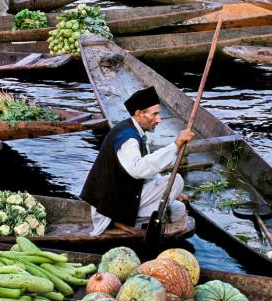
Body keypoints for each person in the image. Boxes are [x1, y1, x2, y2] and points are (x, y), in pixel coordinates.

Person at [81, 87, 193, 236]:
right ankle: (120, 221)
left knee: (178, 208)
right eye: (154, 114)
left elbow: (146, 172)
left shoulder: (135, 131)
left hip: (121, 196)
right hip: (109, 208)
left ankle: (133, 220)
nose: (159, 119)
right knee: (177, 180)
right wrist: (176, 145)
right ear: (139, 114)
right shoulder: (128, 138)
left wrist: (174, 192)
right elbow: (139, 169)